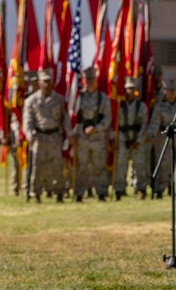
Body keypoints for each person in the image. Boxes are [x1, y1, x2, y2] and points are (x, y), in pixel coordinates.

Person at [23, 68, 71, 203]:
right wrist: (29, 134)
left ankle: (59, 192)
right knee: (38, 167)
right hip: (39, 137)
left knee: (57, 166)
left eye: (49, 81)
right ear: (39, 82)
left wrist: (69, 134)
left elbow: (65, 118)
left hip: (55, 137)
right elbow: (27, 119)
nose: (47, 84)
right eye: (44, 81)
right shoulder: (31, 101)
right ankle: (36, 193)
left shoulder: (59, 99)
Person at [74, 67, 112, 202]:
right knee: (82, 167)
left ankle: (101, 193)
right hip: (83, 138)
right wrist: (81, 130)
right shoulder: (78, 98)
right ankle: (79, 193)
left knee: (99, 167)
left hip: (98, 138)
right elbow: (73, 118)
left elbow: (107, 118)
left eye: (92, 79)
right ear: (83, 80)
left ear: (96, 80)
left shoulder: (103, 98)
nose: (89, 82)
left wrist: (97, 128)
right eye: (87, 79)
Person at [113, 76, 150, 200]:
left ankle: (141, 189)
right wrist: (121, 140)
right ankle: (119, 189)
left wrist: (138, 140)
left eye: (132, 89)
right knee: (121, 166)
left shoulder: (141, 106)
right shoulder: (120, 106)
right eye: (128, 89)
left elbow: (144, 124)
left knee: (140, 166)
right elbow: (117, 125)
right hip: (123, 140)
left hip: (137, 140)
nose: (130, 91)